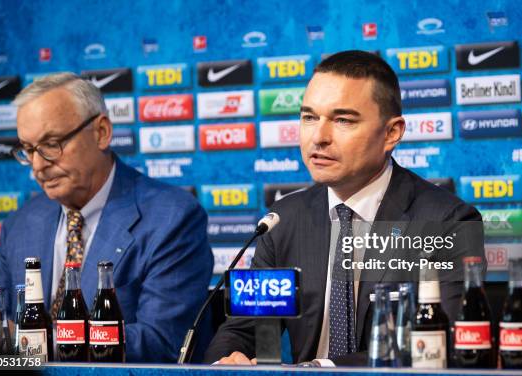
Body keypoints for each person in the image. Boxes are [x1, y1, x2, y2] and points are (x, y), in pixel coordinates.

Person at [204, 50, 484, 366]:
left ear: (391, 133)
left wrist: (319, 370)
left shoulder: (446, 222)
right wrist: (227, 363)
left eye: (343, 120)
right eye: (309, 117)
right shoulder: (283, 220)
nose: (319, 137)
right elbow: (245, 330)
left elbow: (439, 343)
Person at [0, 73, 214, 362]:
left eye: (51, 144)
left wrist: (34, 340)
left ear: (101, 132)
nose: (37, 166)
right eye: (28, 150)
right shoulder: (20, 225)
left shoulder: (172, 218)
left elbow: (162, 341)